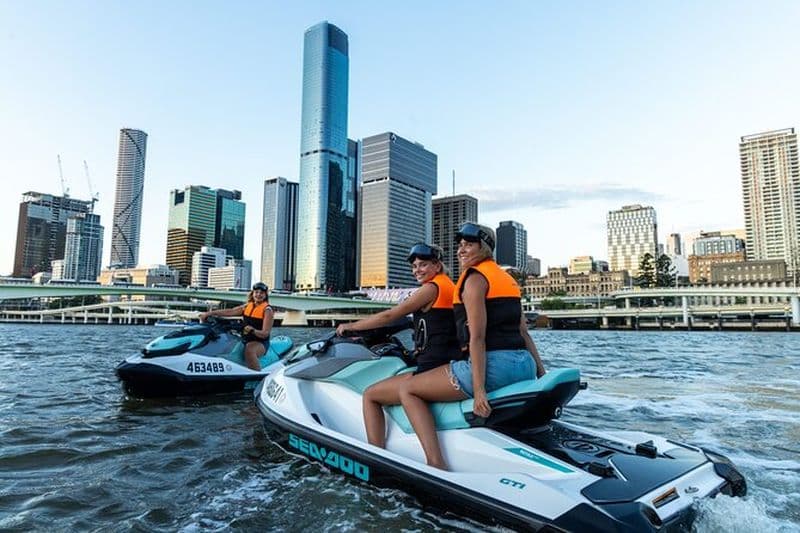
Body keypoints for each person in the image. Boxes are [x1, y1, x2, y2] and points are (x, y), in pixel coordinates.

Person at [398, 222, 545, 469]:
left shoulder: (475, 280)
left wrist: (479, 392)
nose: (460, 251)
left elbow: (477, 337)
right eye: (460, 246)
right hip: (524, 365)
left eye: (468, 245)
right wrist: (540, 374)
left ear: (484, 248)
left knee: (408, 389)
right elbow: (523, 332)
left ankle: (435, 464)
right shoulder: (507, 279)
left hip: (495, 367)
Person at [336, 243, 462, 448]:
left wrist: (351, 326)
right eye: (414, 267)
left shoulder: (431, 289)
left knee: (370, 395)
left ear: (437, 266)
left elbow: (390, 315)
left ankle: (376, 454)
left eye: (423, 265)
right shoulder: (450, 286)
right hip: (448, 361)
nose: (417, 270)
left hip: (432, 367)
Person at [199, 282, 274, 371]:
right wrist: (210, 313)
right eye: (256, 292)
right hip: (244, 338)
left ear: (265, 295)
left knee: (249, 350)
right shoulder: (247, 306)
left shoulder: (267, 310)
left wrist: (253, 330)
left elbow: (265, 333)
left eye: (261, 293)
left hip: (260, 342)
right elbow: (230, 311)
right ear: (253, 294)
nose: (258, 294)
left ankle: (257, 377)